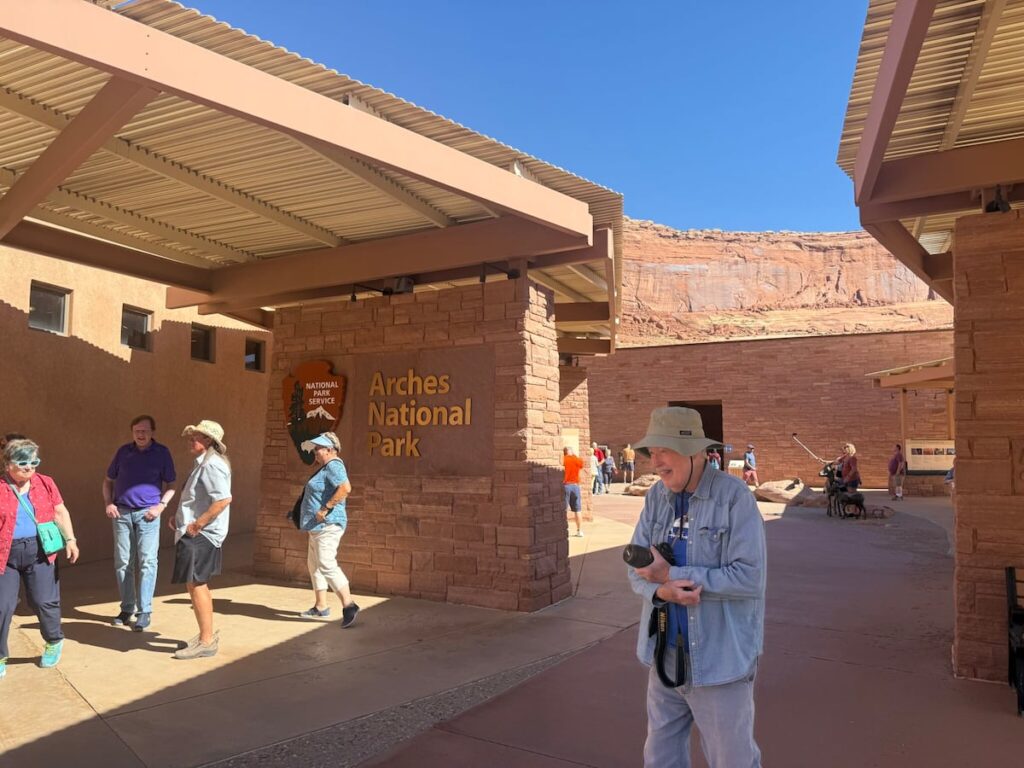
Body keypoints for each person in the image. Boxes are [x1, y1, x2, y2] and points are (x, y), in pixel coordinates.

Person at [627, 407, 766, 767]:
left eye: (664, 449)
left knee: (731, 760)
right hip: (664, 658)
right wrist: (660, 592)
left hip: (719, 661)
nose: (655, 461)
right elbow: (635, 570)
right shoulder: (656, 498)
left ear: (695, 452)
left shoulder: (735, 497)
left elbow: (749, 577)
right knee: (660, 759)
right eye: (651, 451)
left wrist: (670, 576)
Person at [0, 439, 80, 678]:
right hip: (5, 553)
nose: (29, 467)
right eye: (23, 462)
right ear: (7, 464)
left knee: (44, 601)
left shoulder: (45, 483)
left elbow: (59, 511)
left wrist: (71, 540)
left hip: (40, 551)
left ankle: (54, 640)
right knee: (2, 606)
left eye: (34, 461)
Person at [102, 415, 176, 631]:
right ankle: (127, 609)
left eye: (145, 431)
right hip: (122, 513)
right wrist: (109, 503)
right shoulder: (124, 452)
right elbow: (108, 480)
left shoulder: (162, 453)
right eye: (137, 431)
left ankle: (144, 612)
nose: (141, 435)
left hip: (148, 515)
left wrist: (161, 506)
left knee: (147, 562)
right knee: (123, 562)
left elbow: (171, 483)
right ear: (132, 433)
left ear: (153, 432)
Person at [170, 420, 231, 660]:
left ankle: (206, 641)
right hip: (195, 533)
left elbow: (223, 499)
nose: (190, 440)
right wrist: (181, 518)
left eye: (195, 436)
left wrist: (198, 524)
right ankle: (205, 635)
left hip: (201, 535)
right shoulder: (204, 463)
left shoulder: (211, 465)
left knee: (197, 584)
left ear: (208, 441)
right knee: (194, 583)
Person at [297, 432, 360, 627]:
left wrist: (325, 508)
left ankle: (349, 605)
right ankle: (321, 606)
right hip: (316, 526)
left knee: (325, 563)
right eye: (315, 449)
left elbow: (345, 488)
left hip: (328, 525)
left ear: (330, 450)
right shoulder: (324, 468)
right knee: (314, 566)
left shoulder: (334, 465)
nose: (315, 452)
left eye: (318, 449)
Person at [562, 446, 585, 537]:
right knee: (578, 510)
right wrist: (574, 455)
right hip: (575, 486)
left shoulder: (563, 459)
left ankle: (563, 531)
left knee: (564, 509)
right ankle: (579, 531)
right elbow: (581, 464)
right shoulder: (577, 460)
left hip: (566, 485)